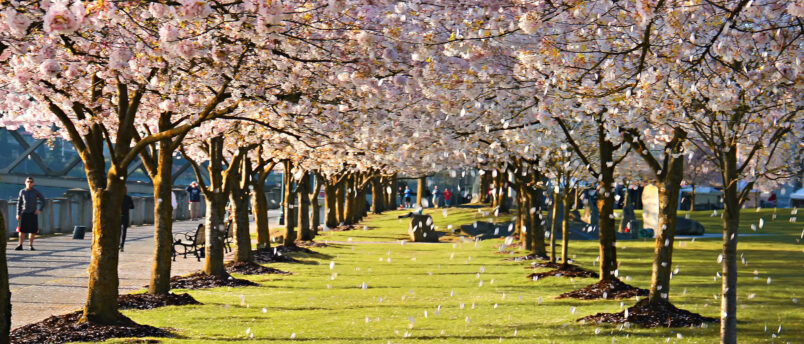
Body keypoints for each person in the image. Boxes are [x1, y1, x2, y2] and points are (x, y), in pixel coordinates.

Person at [16, 177, 46, 251]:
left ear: (33, 183)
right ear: (25, 182)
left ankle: (30, 245)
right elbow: (19, 203)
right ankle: (20, 245)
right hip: (24, 213)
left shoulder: (36, 192)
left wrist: (40, 210)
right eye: (28, 181)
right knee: (21, 230)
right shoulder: (22, 191)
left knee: (32, 231)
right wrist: (18, 213)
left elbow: (43, 201)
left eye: (31, 182)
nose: (29, 183)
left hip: (33, 213)